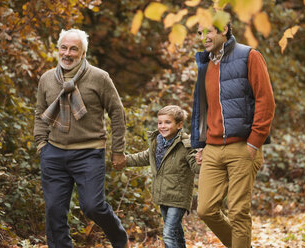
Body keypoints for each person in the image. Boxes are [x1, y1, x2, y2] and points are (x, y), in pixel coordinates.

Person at [33, 28, 129, 248]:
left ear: (83, 53)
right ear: (58, 50)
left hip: (89, 153)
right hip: (54, 153)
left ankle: (120, 239)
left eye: (73, 49)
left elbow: (117, 112)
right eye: (63, 48)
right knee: (54, 211)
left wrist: (118, 150)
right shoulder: (47, 79)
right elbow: (40, 112)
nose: (67, 53)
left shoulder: (99, 77)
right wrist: (41, 144)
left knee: (92, 206)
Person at [191, 21, 275, 248]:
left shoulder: (249, 56)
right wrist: (199, 144)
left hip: (243, 146)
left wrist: (254, 142)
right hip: (212, 149)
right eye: (200, 33)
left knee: (238, 212)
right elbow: (202, 108)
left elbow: (265, 101)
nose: (203, 37)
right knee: (205, 209)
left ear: (224, 29)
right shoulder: (204, 64)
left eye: (208, 31)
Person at [118, 105, 200, 248]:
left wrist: (202, 157)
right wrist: (124, 160)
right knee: (176, 233)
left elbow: (196, 166)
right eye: (160, 122)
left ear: (179, 125)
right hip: (163, 195)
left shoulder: (186, 145)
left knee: (168, 234)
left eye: (167, 122)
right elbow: (144, 157)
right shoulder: (158, 143)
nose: (162, 126)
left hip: (178, 197)